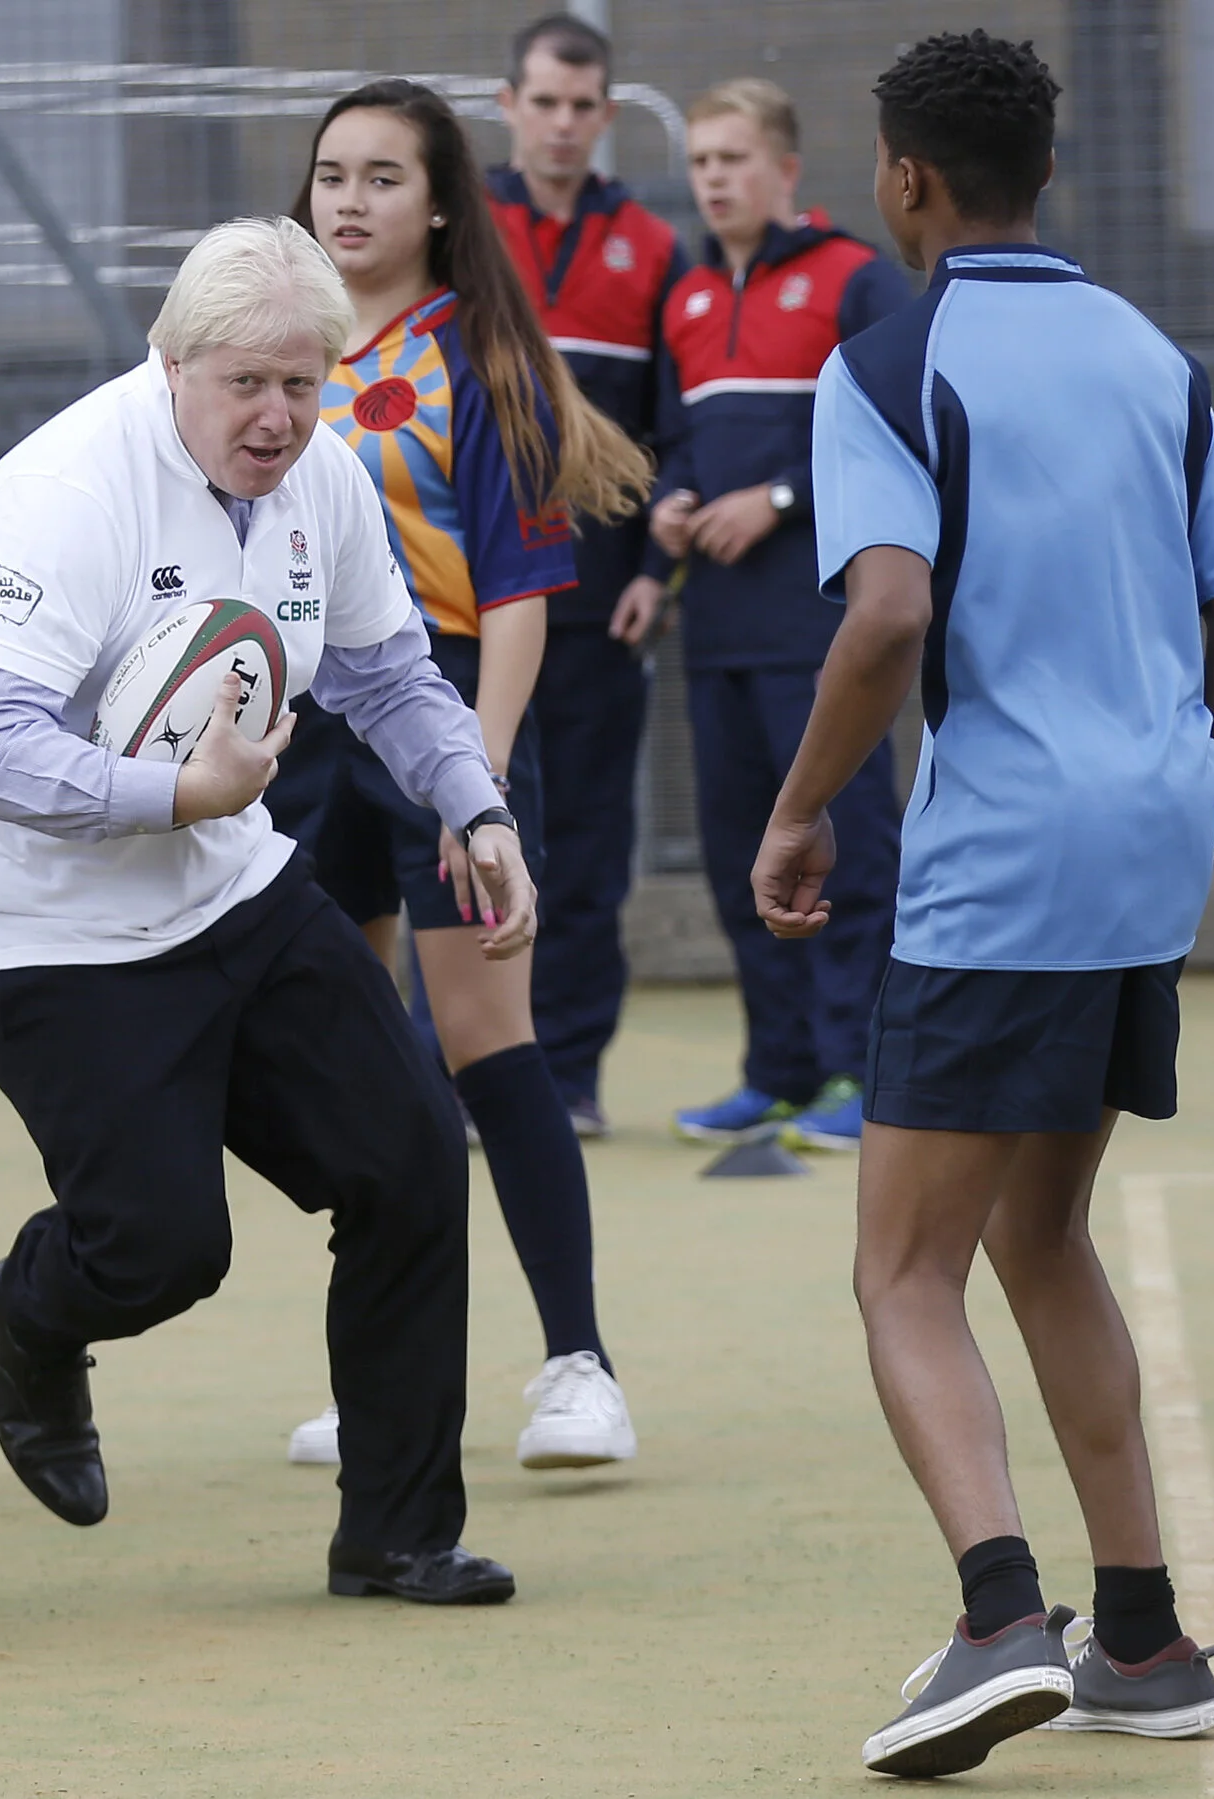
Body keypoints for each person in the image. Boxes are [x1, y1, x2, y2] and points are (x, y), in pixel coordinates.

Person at [754, 32, 1214, 1777]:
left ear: (904, 178)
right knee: (1037, 1231)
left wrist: (801, 805)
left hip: (1002, 862)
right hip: (1150, 847)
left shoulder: (891, 359)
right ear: (1041, 173)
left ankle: (997, 1614)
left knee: (901, 1264)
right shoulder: (1151, 351)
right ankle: (1141, 1631)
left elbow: (889, 614)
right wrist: (1196, 789)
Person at [0, 216, 525, 1605]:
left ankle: (398, 1531)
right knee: (163, 1246)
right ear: (169, 359)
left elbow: (386, 672)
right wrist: (171, 789)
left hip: (229, 879)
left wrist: (473, 804)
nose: (277, 415)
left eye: (303, 383)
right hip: (40, 918)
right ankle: (31, 1311)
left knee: (413, 1156)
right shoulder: (65, 488)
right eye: (245, 382)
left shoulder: (327, 479)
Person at [272, 79, 649, 1475]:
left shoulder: (479, 359)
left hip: (435, 710)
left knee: (490, 1046)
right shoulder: (270, 354)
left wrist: (470, 783)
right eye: (331, 175)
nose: (351, 200)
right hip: (294, 731)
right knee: (358, 1069)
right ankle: (384, 1378)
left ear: (438, 204)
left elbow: (522, 595)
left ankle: (579, 1366)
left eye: (382, 176)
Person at [649, 79, 912, 1154]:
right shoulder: (685, 297)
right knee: (735, 857)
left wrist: (782, 501)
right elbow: (676, 439)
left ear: (785, 171)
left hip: (823, 634)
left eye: (733, 158)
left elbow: (900, 432)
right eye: (701, 161)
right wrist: (670, 500)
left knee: (847, 853)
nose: (713, 178)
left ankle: (871, 1072)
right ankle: (780, 1069)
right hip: (713, 637)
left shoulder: (856, 279)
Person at [488, 13, 684, 1138]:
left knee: (591, 849)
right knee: (465, 828)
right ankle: (456, 1071)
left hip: (601, 606)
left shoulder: (652, 251)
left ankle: (567, 1077)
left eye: (582, 107)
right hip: (472, 597)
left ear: (604, 119)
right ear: (508, 104)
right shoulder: (457, 226)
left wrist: (659, 563)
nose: (562, 124)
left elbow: (675, 434)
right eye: (544, 102)